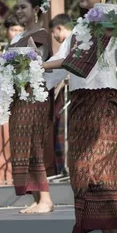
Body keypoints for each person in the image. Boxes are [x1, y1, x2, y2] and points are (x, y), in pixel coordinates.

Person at [43, 0, 117, 233]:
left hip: (103, 101)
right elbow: (64, 63)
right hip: (80, 102)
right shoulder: (79, 26)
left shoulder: (111, 15)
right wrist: (33, 69)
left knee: (98, 170)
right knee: (80, 171)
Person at [6, 0, 55, 214]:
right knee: (21, 146)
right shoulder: (17, 36)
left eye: (23, 6)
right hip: (18, 97)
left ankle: (46, 198)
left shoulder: (42, 34)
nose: (19, 11)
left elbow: (39, 62)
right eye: (17, 7)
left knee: (35, 144)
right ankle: (36, 197)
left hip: (34, 96)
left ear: (36, 9)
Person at [49, 14, 72, 175]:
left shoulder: (74, 38)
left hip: (71, 93)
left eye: (54, 32)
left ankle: (66, 168)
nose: (54, 36)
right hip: (67, 91)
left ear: (60, 28)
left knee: (66, 130)